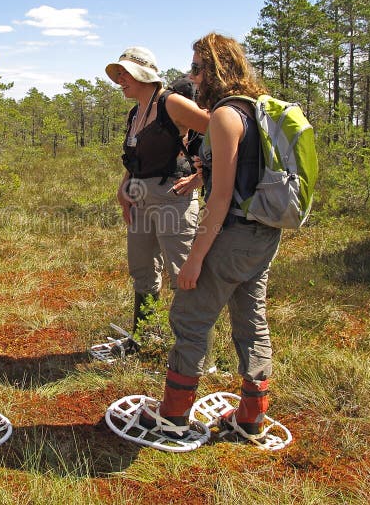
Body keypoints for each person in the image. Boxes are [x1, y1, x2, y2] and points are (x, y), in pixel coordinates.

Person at [147, 32, 282, 441]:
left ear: (216, 70)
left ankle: (172, 415)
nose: (192, 77)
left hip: (233, 234)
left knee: (190, 318)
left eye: (197, 68)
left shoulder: (225, 115)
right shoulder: (258, 110)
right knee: (251, 318)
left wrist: (193, 259)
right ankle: (251, 417)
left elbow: (220, 199)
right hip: (263, 234)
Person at [95, 47, 209, 357]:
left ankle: (194, 351)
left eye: (124, 74)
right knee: (143, 269)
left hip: (174, 199)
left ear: (142, 74)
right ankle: (144, 336)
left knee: (183, 273)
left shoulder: (171, 103)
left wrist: (200, 177)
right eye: (118, 75)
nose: (120, 81)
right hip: (140, 200)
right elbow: (135, 159)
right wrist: (124, 189)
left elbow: (221, 131)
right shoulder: (135, 113)